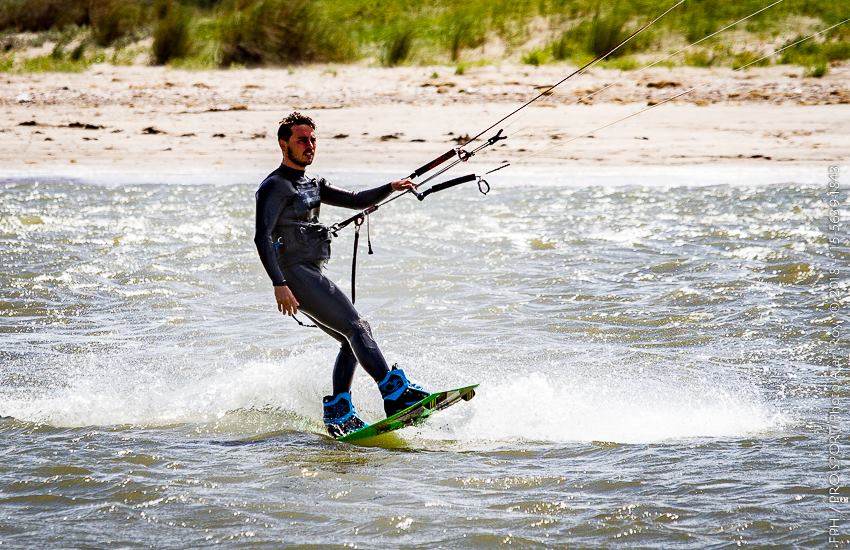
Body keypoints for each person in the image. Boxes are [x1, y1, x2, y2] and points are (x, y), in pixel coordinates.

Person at [254, 112, 430, 437]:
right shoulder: (274, 186)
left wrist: (391, 186)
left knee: (352, 339)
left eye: (312, 140)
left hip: (309, 272)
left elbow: (356, 200)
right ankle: (395, 395)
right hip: (294, 275)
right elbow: (261, 236)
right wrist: (279, 284)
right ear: (283, 144)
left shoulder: (313, 184)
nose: (309, 146)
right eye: (301, 140)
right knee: (358, 328)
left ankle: (340, 413)